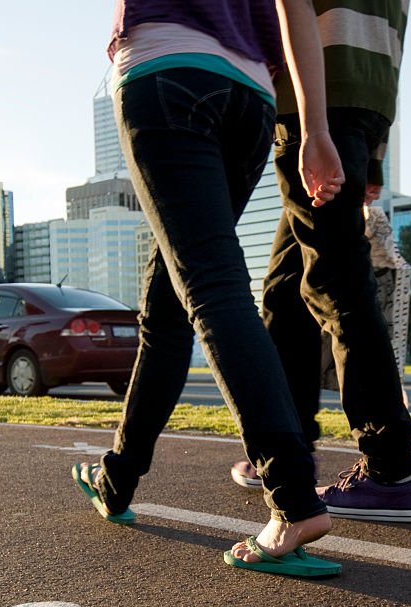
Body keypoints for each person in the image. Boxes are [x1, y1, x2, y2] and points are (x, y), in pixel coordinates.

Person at [72, 0, 347, 577]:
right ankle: (116, 481)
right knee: (168, 307)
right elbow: (295, 7)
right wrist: (315, 129)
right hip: (250, 97)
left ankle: (294, 500)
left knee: (211, 288)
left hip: (165, 72)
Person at [229, 0, 411, 523]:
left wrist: (313, 125)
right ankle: (286, 448)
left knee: (335, 281)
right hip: (362, 104)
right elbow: (392, 36)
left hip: (315, 99)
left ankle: (390, 468)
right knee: (284, 288)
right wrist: (376, 152)